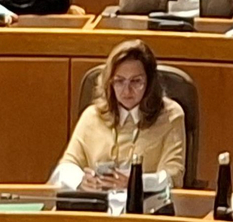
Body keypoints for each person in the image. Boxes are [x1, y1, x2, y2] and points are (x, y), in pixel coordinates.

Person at [48, 39, 188, 194]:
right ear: (109, 83)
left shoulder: (170, 115)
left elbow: (173, 177)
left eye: (136, 82)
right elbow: (65, 167)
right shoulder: (92, 116)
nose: (127, 91)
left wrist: (135, 182)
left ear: (150, 83)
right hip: (97, 207)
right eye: (119, 81)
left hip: (144, 207)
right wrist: (81, 180)